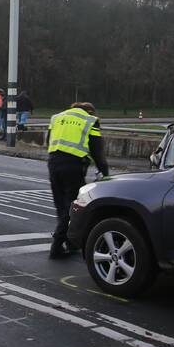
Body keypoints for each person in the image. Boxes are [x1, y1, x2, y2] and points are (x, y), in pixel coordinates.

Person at [47, 102, 109, 259]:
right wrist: (105, 172)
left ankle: (69, 241)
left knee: (61, 205)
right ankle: (57, 244)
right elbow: (97, 151)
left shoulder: (57, 117)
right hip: (73, 166)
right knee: (73, 206)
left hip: (53, 163)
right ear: (90, 111)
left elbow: (49, 140)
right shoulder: (90, 120)